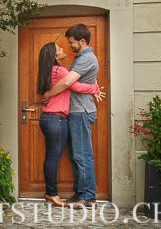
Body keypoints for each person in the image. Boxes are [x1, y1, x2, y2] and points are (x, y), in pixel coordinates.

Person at [41, 24, 102, 207]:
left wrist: (48, 95)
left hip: (81, 111)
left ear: (82, 41)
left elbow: (69, 82)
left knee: (82, 155)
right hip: (74, 111)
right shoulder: (80, 58)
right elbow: (80, 80)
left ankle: (87, 196)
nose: (69, 45)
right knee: (77, 154)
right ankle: (80, 193)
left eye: (72, 42)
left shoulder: (87, 58)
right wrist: (93, 87)